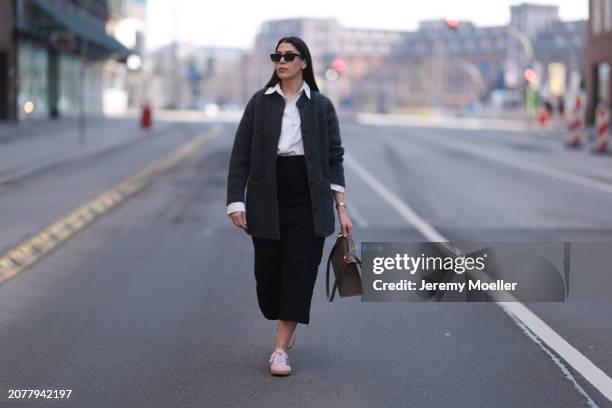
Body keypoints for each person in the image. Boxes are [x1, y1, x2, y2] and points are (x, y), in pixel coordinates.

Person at [226, 36, 353, 376]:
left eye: (289, 56)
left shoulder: (321, 106)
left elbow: (333, 157)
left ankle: (280, 348)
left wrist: (340, 206)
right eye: (277, 56)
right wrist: (236, 199)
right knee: (268, 277)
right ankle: (281, 320)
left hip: (309, 199)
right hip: (267, 195)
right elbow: (240, 156)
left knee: (298, 273)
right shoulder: (260, 103)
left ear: (303, 63)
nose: (281, 61)